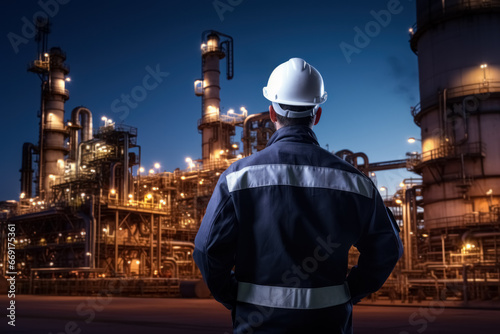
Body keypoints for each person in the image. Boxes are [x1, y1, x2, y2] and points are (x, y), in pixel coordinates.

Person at [194, 58, 403, 333]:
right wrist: (350, 291)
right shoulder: (355, 182)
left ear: (271, 113)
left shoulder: (237, 178)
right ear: (316, 115)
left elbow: (207, 250)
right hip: (329, 324)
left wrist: (231, 295)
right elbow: (388, 247)